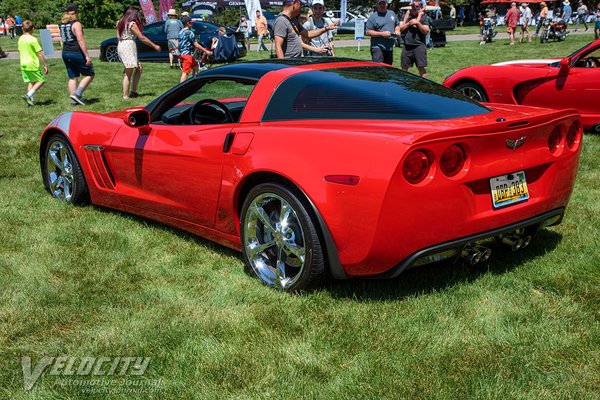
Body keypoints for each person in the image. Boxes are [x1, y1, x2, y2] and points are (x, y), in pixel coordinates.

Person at [117, 7, 160, 100]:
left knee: (139, 68)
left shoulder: (120, 22)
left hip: (121, 45)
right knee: (129, 72)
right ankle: (125, 96)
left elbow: (118, 36)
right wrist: (154, 45)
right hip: (128, 46)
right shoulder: (132, 24)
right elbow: (142, 37)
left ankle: (133, 92)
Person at [273, 0, 337, 59]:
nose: (301, 8)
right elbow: (278, 47)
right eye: (300, 4)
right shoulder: (281, 21)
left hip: (297, 61)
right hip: (289, 63)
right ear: (294, 3)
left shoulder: (293, 20)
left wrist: (326, 28)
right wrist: (282, 67)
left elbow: (308, 34)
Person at [60, 4, 94, 106]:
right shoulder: (76, 24)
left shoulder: (62, 24)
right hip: (75, 52)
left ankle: (73, 101)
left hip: (65, 52)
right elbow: (80, 39)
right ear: (75, 13)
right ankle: (77, 94)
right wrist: (87, 55)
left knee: (73, 77)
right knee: (89, 74)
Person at [18, 21, 48, 106]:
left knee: (31, 81)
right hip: (32, 64)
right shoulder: (33, 39)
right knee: (41, 80)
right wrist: (45, 65)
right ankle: (28, 95)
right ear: (33, 29)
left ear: (22, 28)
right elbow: (39, 53)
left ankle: (30, 101)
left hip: (23, 63)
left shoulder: (20, 38)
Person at [399, 0, 430, 77]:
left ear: (420, 7)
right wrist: (408, 23)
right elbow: (400, 29)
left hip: (419, 45)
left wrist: (418, 23)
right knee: (404, 68)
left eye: (416, 6)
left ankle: (424, 85)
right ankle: (403, 85)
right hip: (407, 46)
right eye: (412, 6)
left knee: (421, 68)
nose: (414, 8)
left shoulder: (424, 17)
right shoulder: (408, 16)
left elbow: (426, 31)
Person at [365, 0, 400, 66]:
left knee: (388, 68)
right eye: (380, 3)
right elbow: (368, 32)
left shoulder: (392, 13)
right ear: (377, 5)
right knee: (379, 69)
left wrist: (397, 30)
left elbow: (397, 25)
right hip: (377, 47)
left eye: (384, 3)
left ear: (386, 4)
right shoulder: (373, 17)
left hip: (389, 47)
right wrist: (382, 34)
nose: (382, 5)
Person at [178, 16, 211, 82]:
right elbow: (196, 44)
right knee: (185, 72)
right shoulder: (190, 32)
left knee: (195, 67)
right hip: (187, 55)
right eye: (191, 23)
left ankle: (194, 83)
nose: (192, 24)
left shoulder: (181, 32)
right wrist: (206, 51)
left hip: (182, 54)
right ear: (188, 23)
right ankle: (181, 88)